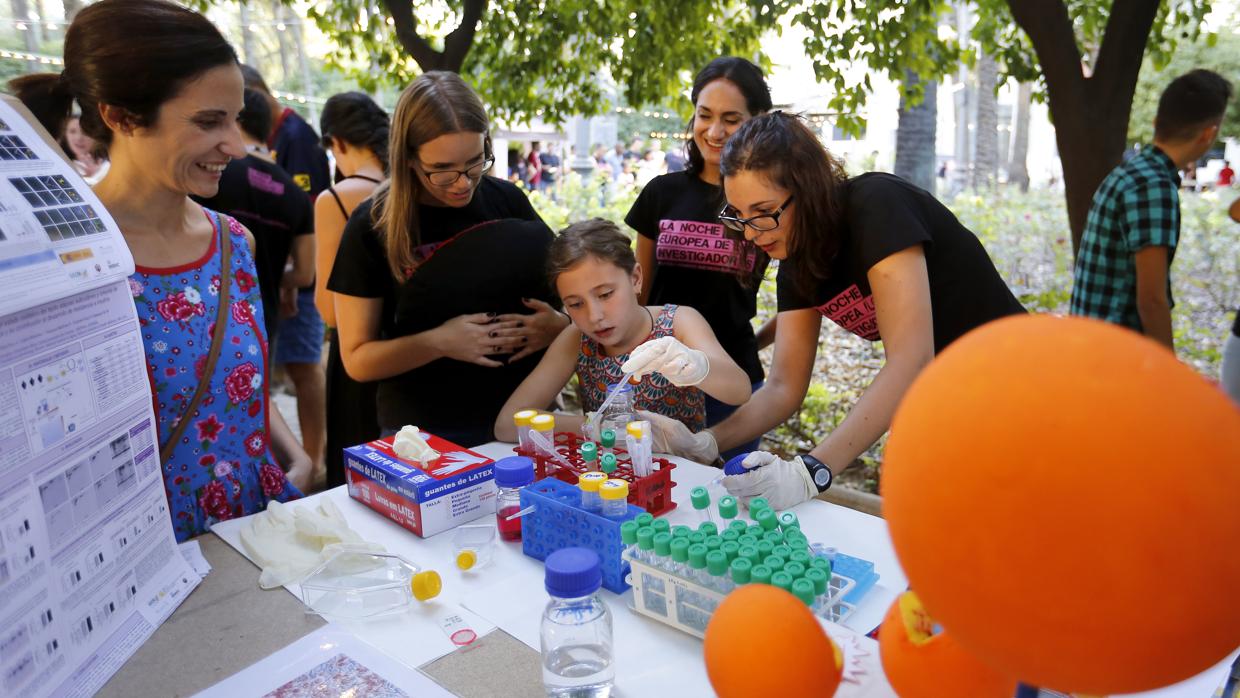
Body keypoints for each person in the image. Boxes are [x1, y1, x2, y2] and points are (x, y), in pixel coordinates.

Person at [12, 0, 308, 540]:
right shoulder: (63, 260)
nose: (237, 146)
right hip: (137, 555)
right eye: (208, 121)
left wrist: (295, 453)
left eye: (236, 118)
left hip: (254, 530)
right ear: (120, 117)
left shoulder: (233, 243)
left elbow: (236, 386)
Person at [651, 112, 1025, 509]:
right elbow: (782, 388)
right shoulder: (795, 256)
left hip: (1019, 384)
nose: (750, 232)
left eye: (763, 211)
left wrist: (810, 472)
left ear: (807, 188)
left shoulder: (877, 207)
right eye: (738, 216)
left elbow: (911, 360)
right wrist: (707, 440)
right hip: (946, 401)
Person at [327, 72, 569, 446]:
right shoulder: (371, 225)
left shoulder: (507, 200)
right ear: (407, 158)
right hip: (424, 436)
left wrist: (558, 325)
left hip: (522, 418)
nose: (463, 183)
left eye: (476, 163)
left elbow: (569, 294)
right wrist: (439, 341)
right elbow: (357, 359)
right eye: (441, 171)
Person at [626, 57, 772, 460]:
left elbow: (805, 291)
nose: (714, 130)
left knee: (736, 506)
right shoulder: (661, 193)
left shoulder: (765, 203)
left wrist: (753, 344)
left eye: (731, 118)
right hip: (659, 383)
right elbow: (639, 294)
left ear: (758, 119)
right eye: (704, 115)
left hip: (732, 385)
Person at [495, 219, 751, 440]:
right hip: (612, 482)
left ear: (636, 279)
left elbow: (739, 391)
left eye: (606, 294)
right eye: (575, 304)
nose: (594, 316)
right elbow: (507, 425)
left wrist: (694, 365)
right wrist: (596, 427)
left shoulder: (679, 322)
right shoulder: (576, 339)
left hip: (685, 477)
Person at [1071, 70, 1232, 353]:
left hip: (1089, 345)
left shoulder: (1131, 173)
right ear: (1209, 134)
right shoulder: (1154, 186)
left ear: (1158, 122)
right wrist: (1168, 375)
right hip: (1115, 356)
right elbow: (1151, 300)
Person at [240, 64, 330, 474]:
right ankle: (306, 462)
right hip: (284, 292)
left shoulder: (294, 139)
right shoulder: (283, 179)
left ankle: (309, 461)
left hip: (280, 296)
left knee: (295, 373)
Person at [193, 88, 313, 345]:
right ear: (269, 128)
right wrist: (270, 276)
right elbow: (305, 274)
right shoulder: (297, 194)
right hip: (264, 320)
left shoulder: (212, 174)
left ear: (236, 121)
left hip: (205, 318)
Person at [312, 91, 389, 487]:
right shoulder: (408, 188)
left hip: (356, 356)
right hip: (406, 355)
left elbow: (328, 309)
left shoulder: (336, 200)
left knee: (360, 483)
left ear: (336, 143)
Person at [64, 114, 110, 184]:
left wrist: (93, 176)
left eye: (85, 132)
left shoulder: (108, 167)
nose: (79, 138)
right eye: (72, 131)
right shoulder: (62, 165)